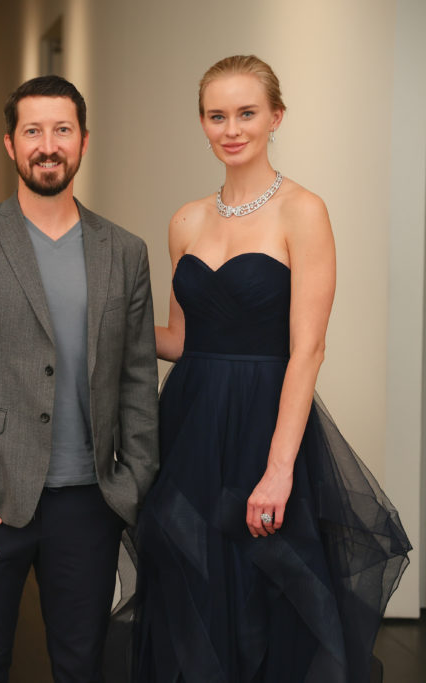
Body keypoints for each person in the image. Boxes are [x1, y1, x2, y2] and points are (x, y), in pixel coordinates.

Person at [133, 55, 411, 683]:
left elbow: (308, 349)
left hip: (267, 424)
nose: (231, 129)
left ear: (275, 117)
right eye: (217, 115)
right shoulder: (185, 220)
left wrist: (279, 469)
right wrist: (104, 328)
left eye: (247, 113)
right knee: (189, 585)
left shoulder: (302, 210)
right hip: (192, 425)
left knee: (267, 597)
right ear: (202, 123)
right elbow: (180, 338)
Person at [0, 75, 160, 682]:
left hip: (90, 501)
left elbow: (136, 375)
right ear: (10, 144)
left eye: (61, 130)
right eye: (32, 131)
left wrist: (132, 483)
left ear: (82, 141)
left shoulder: (124, 251)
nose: (47, 144)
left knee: (81, 664)